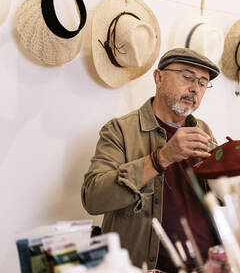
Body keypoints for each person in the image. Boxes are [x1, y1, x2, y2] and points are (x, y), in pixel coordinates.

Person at [81, 48, 221, 272]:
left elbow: (216, 201)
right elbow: (93, 198)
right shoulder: (119, 131)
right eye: (187, 77)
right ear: (158, 77)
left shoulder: (204, 131)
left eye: (203, 83)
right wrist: (161, 158)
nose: (195, 88)